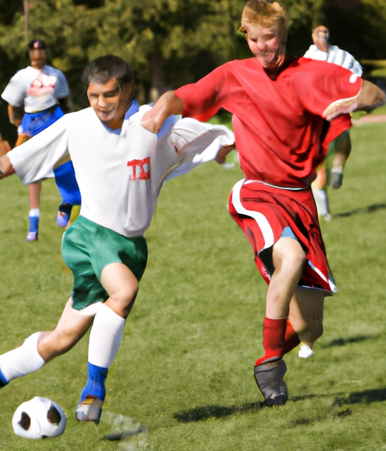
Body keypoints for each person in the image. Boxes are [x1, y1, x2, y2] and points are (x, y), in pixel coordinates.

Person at [0, 55, 234, 423]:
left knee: (60, 339)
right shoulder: (75, 125)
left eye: (109, 95)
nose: (100, 104)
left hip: (131, 247)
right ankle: (94, 389)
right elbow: (12, 161)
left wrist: (219, 145)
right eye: (93, 95)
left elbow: (187, 112)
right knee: (123, 292)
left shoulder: (153, 126)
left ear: (128, 91)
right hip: (90, 235)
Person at [175, 0, 386, 406]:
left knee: (311, 327)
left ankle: (269, 356)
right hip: (258, 191)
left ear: (283, 34)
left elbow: (375, 92)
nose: (262, 46)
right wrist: (157, 111)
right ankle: (271, 362)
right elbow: (188, 97)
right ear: (246, 37)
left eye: (269, 37)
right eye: (254, 39)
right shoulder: (236, 74)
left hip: (301, 199)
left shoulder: (313, 73)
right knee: (289, 259)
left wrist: (351, 102)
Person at [1, 39, 81, 241]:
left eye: (41, 50)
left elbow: (65, 102)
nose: (38, 54)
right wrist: (18, 124)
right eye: (33, 51)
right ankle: (33, 226)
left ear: (45, 52)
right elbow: (11, 104)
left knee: (65, 164)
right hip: (31, 122)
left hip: (54, 118)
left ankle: (67, 203)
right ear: (29, 53)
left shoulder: (56, 75)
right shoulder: (22, 76)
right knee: (26, 167)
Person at [304, 25, 363, 220]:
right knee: (341, 139)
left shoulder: (312, 59)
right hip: (333, 109)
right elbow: (358, 77)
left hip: (320, 110)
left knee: (319, 158)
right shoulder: (338, 56)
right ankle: (338, 167)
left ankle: (323, 208)